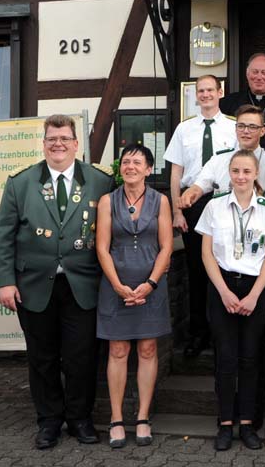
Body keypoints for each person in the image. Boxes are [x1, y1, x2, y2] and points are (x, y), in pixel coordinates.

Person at [0, 114, 115, 449]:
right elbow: (4, 235)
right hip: (34, 285)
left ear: (76, 145)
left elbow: (111, 234)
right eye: (51, 139)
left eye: (64, 138)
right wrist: (5, 281)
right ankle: (49, 421)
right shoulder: (20, 182)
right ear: (44, 144)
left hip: (83, 286)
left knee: (82, 357)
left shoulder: (100, 181)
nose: (58, 144)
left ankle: (80, 419)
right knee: (42, 357)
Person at [195, 150, 265, 451]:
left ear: (256, 173)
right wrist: (223, 291)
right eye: (235, 171)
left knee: (250, 358)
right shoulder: (214, 206)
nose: (241, 177)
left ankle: (247, 423)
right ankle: (224, 423)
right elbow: (206, 253)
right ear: (229, 173)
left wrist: (255, 294)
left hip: (255, 288)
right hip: (222, 287)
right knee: (226, 358)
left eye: (246, 171)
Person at [95, 143, 173, 449]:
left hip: (150, 286)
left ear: (149, 169)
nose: (130, 166)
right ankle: (116, 419)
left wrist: (151, 283)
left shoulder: (161, 201)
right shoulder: (106, 201)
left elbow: (166, 246)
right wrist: (116, 284)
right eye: (126, 162)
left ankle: (142, 417)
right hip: (116, 285)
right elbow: (102, 246)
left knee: (148, 349)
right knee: (117, 350)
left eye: (137, 162)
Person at [165, 74, 237, 357]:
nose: (205, 94)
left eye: (210, 90)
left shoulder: (232, 127)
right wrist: (176, 210)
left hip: (223, 200)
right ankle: (199, 333)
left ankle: (225, 332)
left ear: (220, 92)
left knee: (226, 266)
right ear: (196, 95)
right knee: (197, 271)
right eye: (201, 91)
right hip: (192, 203)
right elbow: (176, 173)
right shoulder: (184, 129)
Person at [180, 104, 265, 207]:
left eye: (252, 127)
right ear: (235, 129)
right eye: (241, 126)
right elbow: (201, 184)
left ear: (262, 131)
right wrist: (191, 193)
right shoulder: (219, 159)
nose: (246, 131)